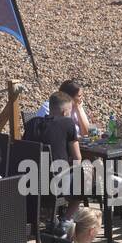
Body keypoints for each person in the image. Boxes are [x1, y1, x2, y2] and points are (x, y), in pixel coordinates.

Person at [26, 90, 83, 232]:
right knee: (86, 175)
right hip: (54, 186)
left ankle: (48, 216)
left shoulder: (31, 123)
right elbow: (77, 158)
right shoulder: (67, 123)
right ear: (65, 112)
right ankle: (67, 220)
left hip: (29, 183)